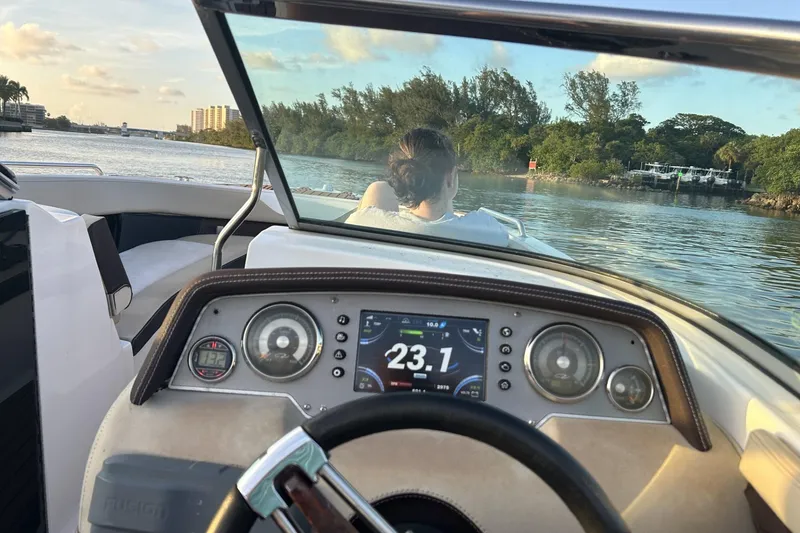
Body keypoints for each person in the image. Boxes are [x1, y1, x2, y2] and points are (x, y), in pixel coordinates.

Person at [346, 128, 509, 247]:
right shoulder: (489, 231)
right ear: (450, 177)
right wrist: (447, 200)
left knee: (378, 189)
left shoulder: (363, 223)